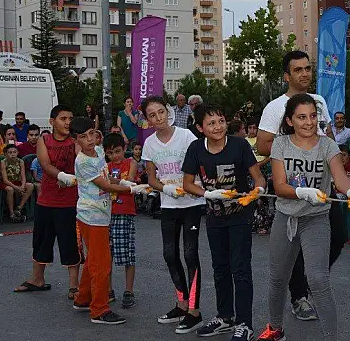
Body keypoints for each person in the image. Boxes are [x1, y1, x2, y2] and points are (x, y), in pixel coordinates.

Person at [256, 93, 350, 341]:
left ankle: (330, 337)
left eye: (313, 116)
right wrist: (303, 192)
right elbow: (280, 185)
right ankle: (275, 329)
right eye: (301, 117)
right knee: (277, 278)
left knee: (318, 281)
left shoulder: (327, 145)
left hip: (316, 219)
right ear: (289, 121)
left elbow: (339, 177)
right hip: (286, 218)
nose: (308, 122)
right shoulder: (281, 145)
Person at [256, 50, 337, 323]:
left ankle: (307, 284)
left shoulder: (320, 101)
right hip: (293, 187)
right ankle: (299, 295)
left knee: (336, 238)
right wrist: (294, 141)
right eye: (298, 70)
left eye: (307, 68)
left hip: (322, 184)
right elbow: (262, 144)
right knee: (292, 250)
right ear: (286, 76)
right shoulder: (276, 107)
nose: (304, 74)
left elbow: (326, 136)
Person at [182, 103, 266, 341]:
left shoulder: (239, 145)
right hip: (214, 217)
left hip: (239, 216)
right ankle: (225, 317)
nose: (217, 126)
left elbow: (259, 179)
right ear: (200, 128)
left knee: (240, 270)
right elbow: (187, 183)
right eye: (211, 123)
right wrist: (207, 194)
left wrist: (255, 192)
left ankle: (245, 324)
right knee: (220, 269)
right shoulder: (196, 148)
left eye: (220, 120)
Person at [71, 116, 148, 324]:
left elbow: (108, 178)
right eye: (83, 137)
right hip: (92, 216)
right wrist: (131, 188)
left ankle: (83, 299)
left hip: (101, 216)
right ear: (75, 140)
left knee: (93, 261)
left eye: (91, 134)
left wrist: (124, 181)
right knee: (101, 264)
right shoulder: (82, 161)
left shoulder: (97, 151)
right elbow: (105, 186)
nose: (89, 139)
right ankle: (99, 310)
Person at [141, 96, 206, 333]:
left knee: (190, 254)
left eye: (161, 112)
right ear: (147, 120)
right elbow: (151, 179)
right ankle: (181, 303)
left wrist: (193, 185)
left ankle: (194, 310)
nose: (158, 118)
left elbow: (200, 165)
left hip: (191, 203)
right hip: (168, 205)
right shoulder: (149, 144)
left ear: (168, 111)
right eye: (152, 115)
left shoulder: (186, 136)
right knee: (170, 254)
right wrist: (165, 188)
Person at [14, 105, 80, 298]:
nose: (68, 122)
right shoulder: (44, 139)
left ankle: (74, 285)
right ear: (52, 122)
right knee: (41, 240)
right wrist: (62, 176)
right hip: (46, 199)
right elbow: (44, 164)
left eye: (70, 118)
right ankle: (37, 279)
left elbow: (83, 158)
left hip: (69, 201)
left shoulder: (75, 141)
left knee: (70, 242)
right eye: (63, 119)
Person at [103, 133, 139, 309]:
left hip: (125, 213)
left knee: (127, 254)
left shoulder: (131, 162)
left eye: (118, 151)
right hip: (107, 213)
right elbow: (105, 183)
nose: (115, 156)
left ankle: (129, 290)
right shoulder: (106, 166)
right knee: (106, 255)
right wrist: (118, 184)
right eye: (110, 153)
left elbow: (130, 183)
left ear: (124, 149)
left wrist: (112, 182)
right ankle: (108, 290)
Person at [246, 117, 273, 235]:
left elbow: (270, 155)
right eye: (249, 128)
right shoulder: (244, 141)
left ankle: (264, 223)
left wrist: (260, 164)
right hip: (248, 171)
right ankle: (253, 223)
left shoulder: (261, 140)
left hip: (262, 170)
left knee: (261, 198)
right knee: (250, 198)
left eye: (254, 128)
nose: (252, 130)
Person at [0, 144, 35, 222]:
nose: (12, 154)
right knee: (10, 189)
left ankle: (19, 208)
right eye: (10, 152)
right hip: (6, 183)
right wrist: (16, 187)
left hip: (17, 182)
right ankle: (11, 213)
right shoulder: (3, 162)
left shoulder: (21, 161)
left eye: (14, 152)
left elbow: (23, 176)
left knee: (30, 186)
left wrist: (22, 186)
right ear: (6, 154)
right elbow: (5, 180)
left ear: (17, 153)